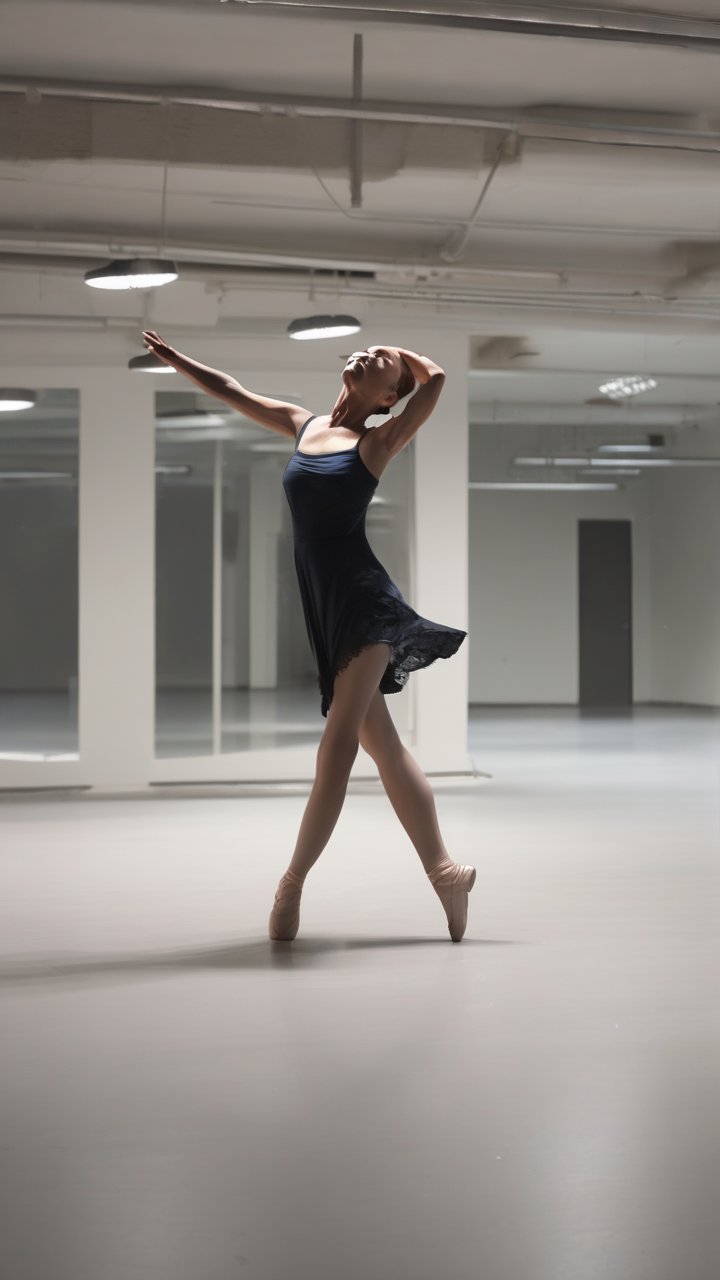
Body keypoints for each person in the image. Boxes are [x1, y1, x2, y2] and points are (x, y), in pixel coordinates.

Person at [142, 331, 476, 942]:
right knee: (386, 749)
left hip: (364, 605)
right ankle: (446, 873)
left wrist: (405, 356)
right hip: (327, 608)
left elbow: (437, 382)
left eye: (382, 362)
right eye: (369, 351)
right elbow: (232, 390)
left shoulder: (377, 441)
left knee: (338, 748)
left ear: (387, 397)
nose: (369, 354)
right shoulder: (304, 424)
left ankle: (291, 884)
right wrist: (174, 359)